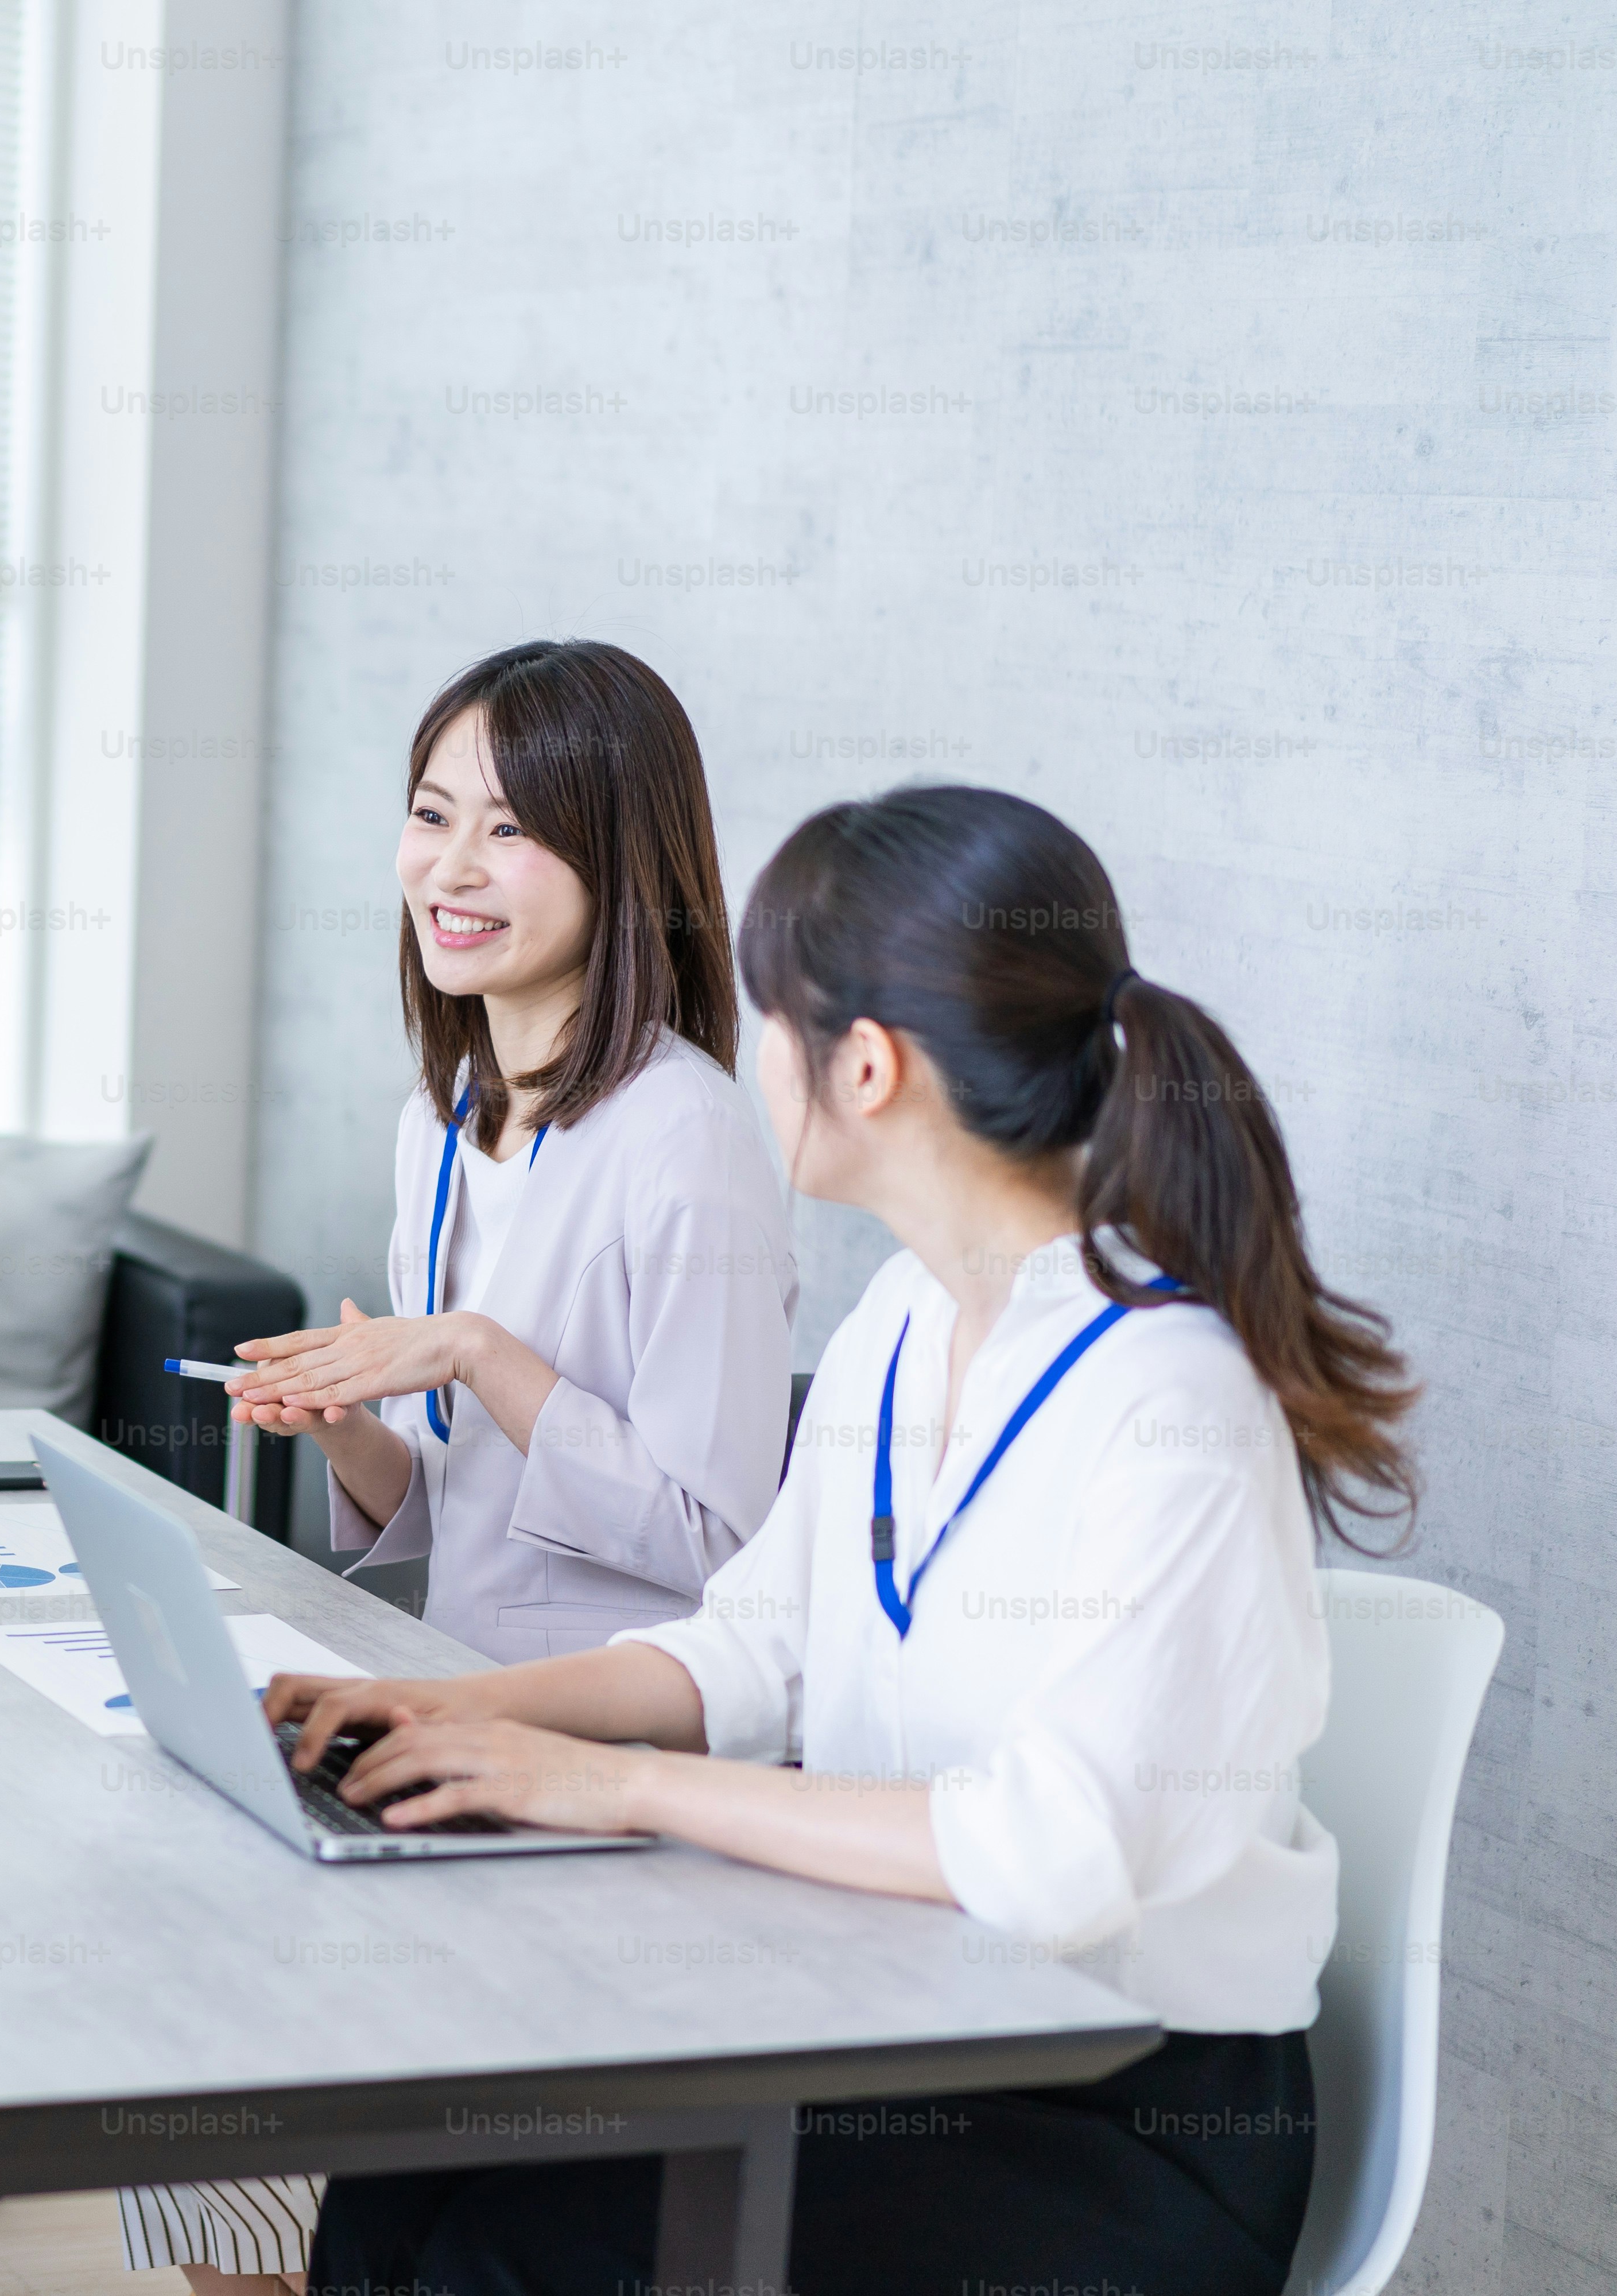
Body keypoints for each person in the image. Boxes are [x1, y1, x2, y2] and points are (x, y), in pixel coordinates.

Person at [277, 784, 1414, 2296]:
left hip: (1120, 2120)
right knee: (403, 2188)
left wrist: (620, 1789)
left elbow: (1053, 1855)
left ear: (866, 1068)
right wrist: (457, 1712)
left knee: (521, 2247)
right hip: (901, 2016)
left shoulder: (1175, 1398)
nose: (748, 1062)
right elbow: (756, 1652)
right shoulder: (905, 1321)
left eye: (766, 1020)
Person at [122, 643, 799, 2295]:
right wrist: (349, 1419)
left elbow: (727, 1554)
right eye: (432, 818)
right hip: (448, 1685)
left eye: (512, 831)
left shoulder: (691, 1138)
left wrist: (475, 1353)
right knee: (167, 1911)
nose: (454, 869)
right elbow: (439, 1517)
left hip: (588, 1749)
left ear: (619, 860)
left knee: (237, 1995)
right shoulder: (447, 1107)